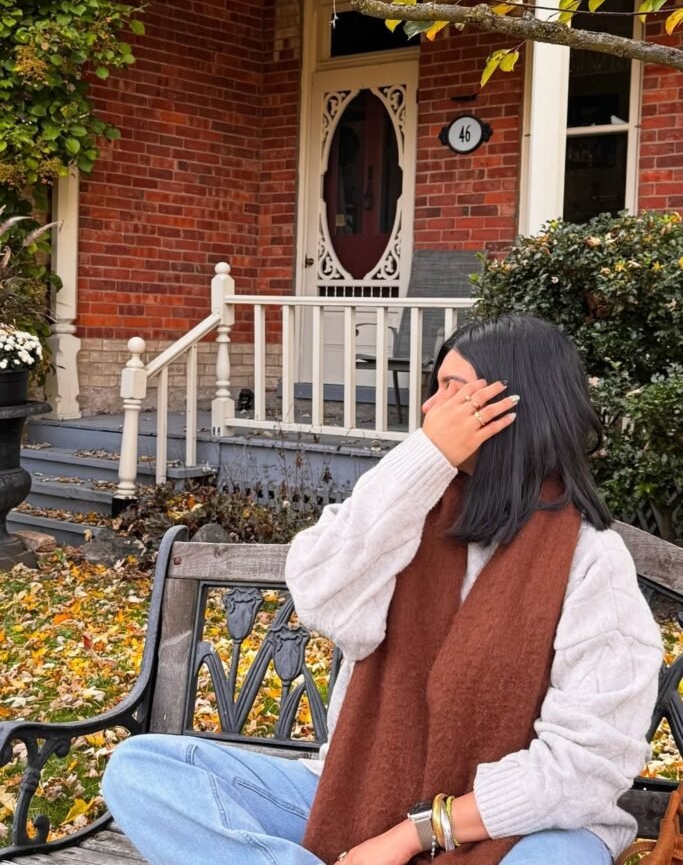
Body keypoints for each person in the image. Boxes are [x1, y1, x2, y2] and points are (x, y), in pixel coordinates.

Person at [102, 314, 663, 865]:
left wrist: (409, 836)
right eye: (433, 388)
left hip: (525, 826)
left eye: (451, 390)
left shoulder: (590, 561)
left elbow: (581, 767)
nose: (428, 409)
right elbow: (321, 594)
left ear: (513, 409)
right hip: (360, 797)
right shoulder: (408, 519)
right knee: (142, 772)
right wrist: (423, 459)